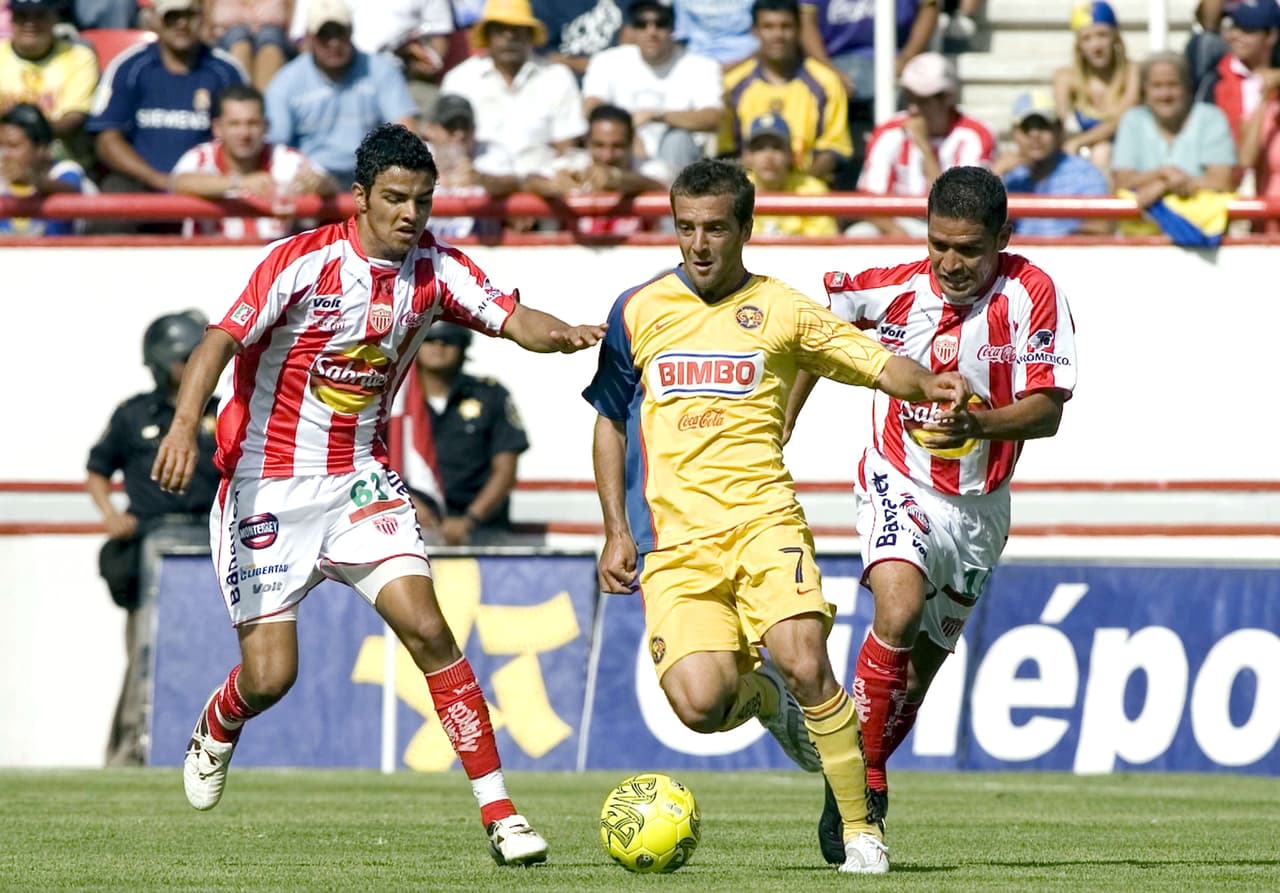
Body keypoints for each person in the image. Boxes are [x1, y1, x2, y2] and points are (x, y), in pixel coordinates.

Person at [151, 122, 605, 865]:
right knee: (272, 676)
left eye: (422, 201)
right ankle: (222, 718)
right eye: (395, 198)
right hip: (268, 484)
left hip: (359, 478)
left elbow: (514, 317)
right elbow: (218, 342)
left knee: (430, 629)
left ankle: (502, 815)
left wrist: (566, 334)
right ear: (359, 197)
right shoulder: (300, 263)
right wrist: (182, 425)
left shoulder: (437, 268)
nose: (410, 215)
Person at [584, 158, 969, 875]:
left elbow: (875, 361)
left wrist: (929, 383)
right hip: (675, 544)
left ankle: (862, 832)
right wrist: (614, 527)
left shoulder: (783, 308)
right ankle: (765, 698)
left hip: (765, 523)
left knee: (804, 658)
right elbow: (609, 421)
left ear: (745, 228)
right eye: (686, 228)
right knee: (701, 704)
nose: (699, 244)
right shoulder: (636, 310)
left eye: (714, 229)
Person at [785, 166, 1077, 868]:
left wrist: (979, 424)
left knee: (916, 679)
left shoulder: (1035, 294)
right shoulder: (892, 285)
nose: (951, 262)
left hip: (981, 510)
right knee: (899, 604)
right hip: (899, 478)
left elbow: (1049, 410)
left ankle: (855, 771)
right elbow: (815, 331)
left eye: (969, 249)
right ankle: (864, 784)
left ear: (1002, 239)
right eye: (939, 243)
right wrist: (784, 418)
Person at [86, 310, 220, 767]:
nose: (196, 364)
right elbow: (97, 470)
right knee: (146, 652)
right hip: (153, 544)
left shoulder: (222, 411)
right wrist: (109, 516)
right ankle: (129, 753)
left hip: (212, 540)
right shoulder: (133, 414)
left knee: (216, 650)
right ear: (161, 360)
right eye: (187, 357)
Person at [87, 0, 246, 196]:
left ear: (202, 17)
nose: (181, 24)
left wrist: (211, 182)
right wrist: (158, 179)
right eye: (172, 16)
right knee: (112, 205)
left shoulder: (227, 71)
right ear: (154, 20)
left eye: (189, 15)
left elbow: (245, 130)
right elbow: (106, 139)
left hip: (212, 184)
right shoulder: (128, 68)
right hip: (139, 182)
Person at [264, 0, 419, 189]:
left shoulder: (381, 71)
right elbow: (274, 144)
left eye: (339, 33)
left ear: (351, 31)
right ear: (309, 37)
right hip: (311, 178)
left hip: (371, 174)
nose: (334, 43)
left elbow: (405, 133)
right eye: (324, 35)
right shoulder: (287, 81)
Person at [409, 322, 529, 545]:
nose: (439, 346)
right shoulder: (393, 403)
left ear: (464, 347)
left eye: (449, 340)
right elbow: (373, 461)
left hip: (483, 530)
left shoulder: (492, 395)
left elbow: (506, 469)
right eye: (429, 339)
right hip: (408, 527)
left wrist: (470, 520)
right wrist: (410, 505)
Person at [439, 0, 587, 178]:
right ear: (487, 36)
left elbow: (567, 146)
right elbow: (448, 143)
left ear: (529, 35)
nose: (509, 37)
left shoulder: (557, 77)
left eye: (517, 30)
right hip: (479, 190)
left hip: (542, 191)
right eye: (500, 30)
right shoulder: (460, 79)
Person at [853, 51, 995, 236]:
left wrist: (924, 147)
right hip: (895, 222)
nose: (913, 108)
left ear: (947, 98)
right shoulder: (888, 131)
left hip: (949, 230)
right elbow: (868, 200)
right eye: (909, 97)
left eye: (922, 100)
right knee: (859, 234)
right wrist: (895, 230)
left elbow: (959, 211)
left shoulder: (975, 135)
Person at [170, 84, 338, 239]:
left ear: (266, 126)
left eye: (252, 123)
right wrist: (239, 182)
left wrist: (319, 184)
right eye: (234, 124)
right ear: (217, 128)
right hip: (208, 263)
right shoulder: (200, 157)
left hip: (273, 265)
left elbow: (328, 184)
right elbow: (179, 183)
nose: (244, 133)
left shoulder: (286, 159)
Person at [720, 0, 852, 185]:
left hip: (806, 192)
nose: (778, 35)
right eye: (768, 27)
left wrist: (795, 187)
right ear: (755, 31)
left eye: (786, 26)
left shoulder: (826, 82)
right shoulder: (732, 85)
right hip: (749, 190)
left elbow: (834, 149)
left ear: (799, 30)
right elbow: (726, 150)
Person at [581, 0, 722, 170]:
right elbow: (591, 107)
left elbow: (713, 118)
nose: (651, 31)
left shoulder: (702, 66)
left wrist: (657, 115)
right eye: (642, 24)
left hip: (679, 162)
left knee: (677, 139)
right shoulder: (606, 61)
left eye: (660, 23)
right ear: (632, 29)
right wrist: (626, 133)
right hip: (625, 155)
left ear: (673, 27)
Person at [523, 102, 671, 235]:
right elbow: (529, 181)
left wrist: (617, 178)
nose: (607, 156)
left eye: (617, 146)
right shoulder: (573, 165)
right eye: (599, 145)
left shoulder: (651, 168)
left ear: (631, 142)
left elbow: (661, 184)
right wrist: (552, 185)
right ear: (587, 142)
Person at [1112, 52, 1236, 210]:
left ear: (1187, 87)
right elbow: (1122, 182)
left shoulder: (1210, 118)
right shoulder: (1133, 120)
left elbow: (1221, 182)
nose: (1165, 94)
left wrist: (1165, 185)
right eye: (1157, 86)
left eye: (1172, 85)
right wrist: (1164, 174)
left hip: (1200, 226)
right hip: (1144, 225)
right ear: (1145, 90)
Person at [992, 90, 1111, 237]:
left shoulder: (1085, 173)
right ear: (1014, 134)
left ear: (1059, 130)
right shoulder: (1005, 176)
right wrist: (993, 177)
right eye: (1026, 127)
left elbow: (1100, 228)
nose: (1034, 135)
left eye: (1043, 125)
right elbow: (977, 229)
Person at [0, 0, 100, 163]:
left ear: (55, 18)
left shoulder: (79, 56)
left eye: (40, 15)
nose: (30, 23)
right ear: (11, 19)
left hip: (60, 160)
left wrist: (25, 132)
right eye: (22, 16)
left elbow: (73, 119)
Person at [1051, 1, 1139, 175]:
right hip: (1083, 156)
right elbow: (1059, 125)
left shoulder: (1131, 71)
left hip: (1128, 153)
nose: (1096, 46)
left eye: (1102, 35)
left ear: (1115, 37)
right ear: (1079, 46)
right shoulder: (1066, 78)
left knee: (1102, 150)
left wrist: (1079, 141)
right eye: (1087, 38)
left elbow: (1122, 120)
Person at [422, 92, 519, 239]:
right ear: (430, 129)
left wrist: (480, 179)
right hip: (426, 252)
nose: (460, 133)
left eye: (465, 125)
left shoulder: (490, 153)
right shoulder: (418, 154)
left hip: (478, 251)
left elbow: (513, 184)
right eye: (451, 125)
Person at [0, 102, 94, 236]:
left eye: (14, 146)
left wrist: (32, 180)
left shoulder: (65, 171)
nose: (5, 154)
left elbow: (70, 191)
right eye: (1, 145)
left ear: (41, 149)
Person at [740, 112, 838, 236]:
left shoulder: (813, 190)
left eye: (777, 147)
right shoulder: (735, 191)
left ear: (791, 155)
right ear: (747, 157)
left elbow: (824, 242)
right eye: (760, 148)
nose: (769, 156)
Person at [1198, 0, 1280, 140]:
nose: (1235, 35)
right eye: (1233, 26)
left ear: (1271, 36)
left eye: (1247, 29)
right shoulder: (1215, 80)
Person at [205, 0, 294, 92]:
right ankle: (243, 96)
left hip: (272, 32)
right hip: (227, 34)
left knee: (270, 43)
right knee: (240, 40)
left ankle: (263, 99)